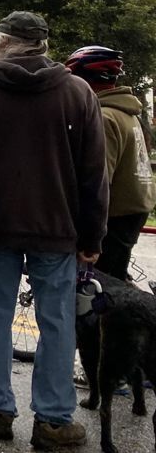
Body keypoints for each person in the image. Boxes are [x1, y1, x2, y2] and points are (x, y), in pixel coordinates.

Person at [0, 11, 108, 450]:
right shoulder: (77, 93)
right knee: (56, 322)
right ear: (42, 45)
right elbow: (94, 174)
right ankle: (54, 419)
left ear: (1, 43)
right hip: (55, 229)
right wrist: (93, 238)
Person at [65, 46, 155, 281]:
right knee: (114, 275)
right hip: (134, 208)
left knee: (98, 287)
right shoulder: (127, 112)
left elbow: (99, 177)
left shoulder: (104, 117)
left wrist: (87, 232)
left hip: (115, 212)